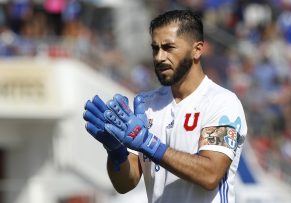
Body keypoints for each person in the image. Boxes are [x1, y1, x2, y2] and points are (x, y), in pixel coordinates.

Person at [83, 9, 247, 203]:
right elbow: (125, 184)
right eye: (155, 48)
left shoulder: (222, 102)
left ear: (197, 49)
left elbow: (210, 175)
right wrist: (116, 151)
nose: (159, 57)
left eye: (169, 47)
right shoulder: (146, 105)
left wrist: (148, 143)